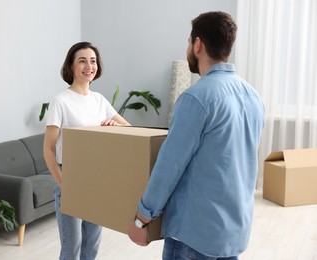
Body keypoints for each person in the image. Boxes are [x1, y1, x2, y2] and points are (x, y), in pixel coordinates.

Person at [127, 11, 265, 260]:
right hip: (233, 234)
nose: (188, 48)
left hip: (194, 236)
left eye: (188, 42)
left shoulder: (196, 98)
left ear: (198, 44)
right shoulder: (253, 97)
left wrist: (141, 219)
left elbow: (170, 164)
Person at [43, 41, 130, 260]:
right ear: (71, 66)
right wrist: (64, 185)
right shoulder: (60, 101)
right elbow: (48, 149)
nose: (88, 66)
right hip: (70, 178)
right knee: (72, 248)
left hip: (97, 180)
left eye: (92, 61)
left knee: (91, 247)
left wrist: (114, 125)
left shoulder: (99, 100)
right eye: (82, 60)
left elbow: (129, 129)